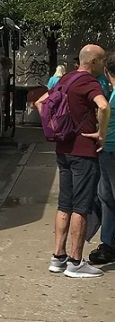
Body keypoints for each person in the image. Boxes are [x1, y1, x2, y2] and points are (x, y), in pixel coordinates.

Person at [35, 44, 110, 278]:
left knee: (64, 205)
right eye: (102, 60)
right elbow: (104, 106)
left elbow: (40, 103)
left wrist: (56, 128)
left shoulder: (65, 79)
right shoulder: (89, 82)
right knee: (82, 206)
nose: (104, 64)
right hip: (83, 152)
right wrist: (102, 134)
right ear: (94, 62)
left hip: (63, 150)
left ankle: (58, 257)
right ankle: (76, 263)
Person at [89, 53, 115, 265]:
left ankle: (109, 244)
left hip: (111, 152)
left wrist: (100, 133)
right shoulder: (112, 92)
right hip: (108, 152)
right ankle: (108, 243)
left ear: (107, 71)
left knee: (108, 197)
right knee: (106, 197)